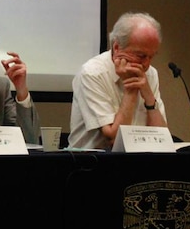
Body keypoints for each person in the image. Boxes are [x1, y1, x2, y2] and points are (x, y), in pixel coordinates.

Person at [69, 11, 167, 150]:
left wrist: (149, 99)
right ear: (116, 47)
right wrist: (131, 89)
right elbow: (114, 139)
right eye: (140, 55)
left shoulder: (150, 73)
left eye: (151, 56)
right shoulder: (92, 73)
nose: (146, 64)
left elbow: (162, 139)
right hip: (92, 165)